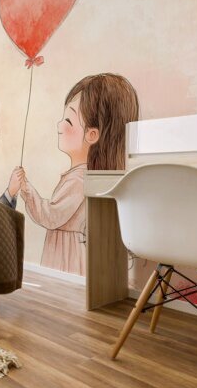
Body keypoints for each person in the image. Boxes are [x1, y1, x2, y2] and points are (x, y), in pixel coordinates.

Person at [18, 73, 139, 274]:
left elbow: (51, 216)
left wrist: (26, 189)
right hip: (73, 249)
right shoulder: (86, 176)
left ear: (92, 135)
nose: (59, 126)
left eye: (68, 120)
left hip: (67, 256)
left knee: (61, 291)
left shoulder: (78, 179)